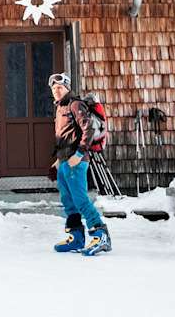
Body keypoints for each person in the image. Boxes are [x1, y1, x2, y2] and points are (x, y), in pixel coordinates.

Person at [47, 72, 111, 256]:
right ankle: (76, 236)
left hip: (77, 161)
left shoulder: (75, 104)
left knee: (81, 199)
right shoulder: (60, 108)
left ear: (67, 87)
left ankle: (101, 235)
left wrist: (79, 153)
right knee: (68, 202)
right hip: (65, 161)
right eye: (54, 88)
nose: (56, 91)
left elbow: (88, 129)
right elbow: (65, 137)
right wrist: (58, 160)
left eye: (59, 87)